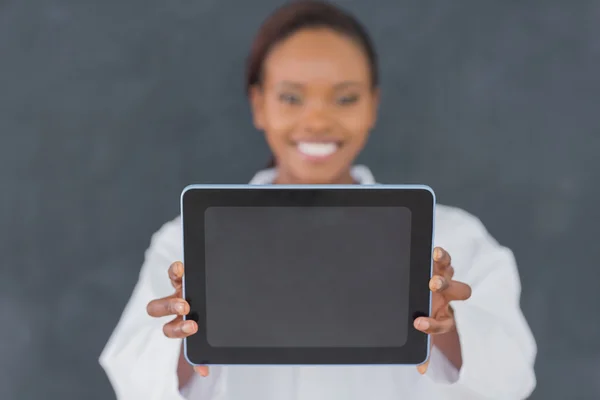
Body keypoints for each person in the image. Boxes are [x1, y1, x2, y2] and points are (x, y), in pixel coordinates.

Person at [99, 1, 537, 399]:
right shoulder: (187, 244)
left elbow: (512, 381)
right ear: (258, 105)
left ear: (372, 106)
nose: (317, 120)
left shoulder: (452, 241)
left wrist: (447, 327)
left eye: (345, 98)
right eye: (291, 97)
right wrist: (185, 332)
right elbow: (136, 384)